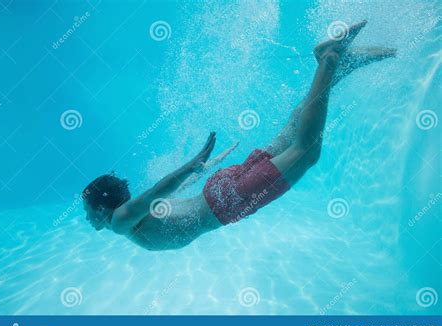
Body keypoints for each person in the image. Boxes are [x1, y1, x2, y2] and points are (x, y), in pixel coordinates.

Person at [83, 21, 396, 251]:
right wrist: (198, 172)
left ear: (101, 207)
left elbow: (156, 191)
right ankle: (339, 68)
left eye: (87, 211)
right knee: (289, 134)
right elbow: (161, 197)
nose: (87, 218)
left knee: (306, 149)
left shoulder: (119, 221)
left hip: (227, 201)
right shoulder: (131, 216)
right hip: (220, 191)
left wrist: (190, 166)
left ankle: (329, 60)